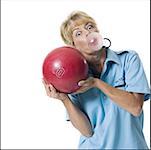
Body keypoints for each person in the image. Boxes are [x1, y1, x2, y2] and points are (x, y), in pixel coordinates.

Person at [42, 11, 150, 149]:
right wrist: (64, 99)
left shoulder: (128, 60)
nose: (87, 33)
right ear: (73, 46)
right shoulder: (74, 77)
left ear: (97, 32)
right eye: (78, 33)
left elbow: (135, 108)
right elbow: (87, 132)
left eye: (89, 26)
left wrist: (96, 83)